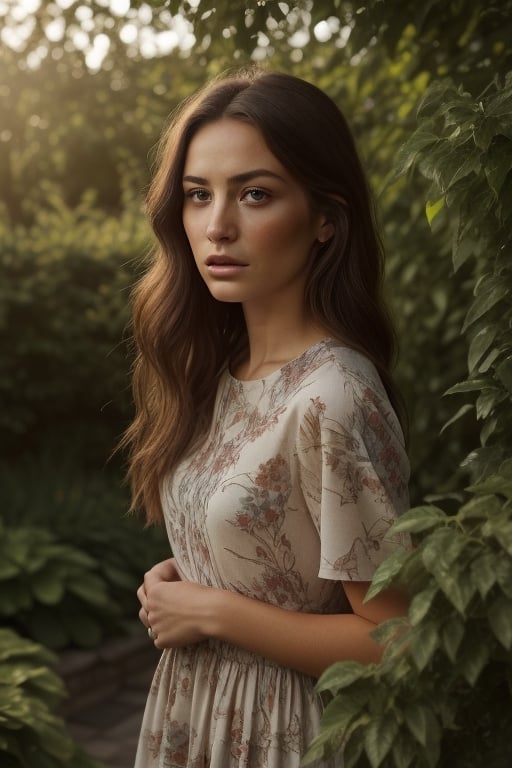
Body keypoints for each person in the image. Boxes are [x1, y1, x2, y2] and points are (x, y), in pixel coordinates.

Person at [125, 69, 411, 768]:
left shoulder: (334, 395)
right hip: (198, 722)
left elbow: (398, 641)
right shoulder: (219, 378)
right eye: (198, 196)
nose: (217, 225)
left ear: (325, 218)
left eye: (255, 194)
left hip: (290, 736)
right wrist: (187, 577)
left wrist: (212, 612)